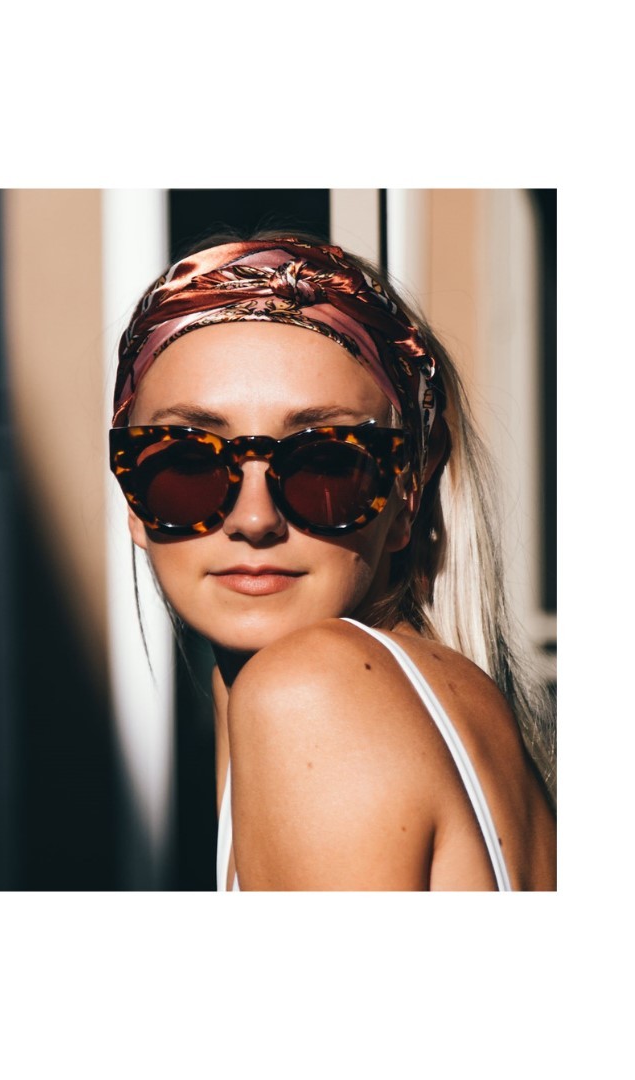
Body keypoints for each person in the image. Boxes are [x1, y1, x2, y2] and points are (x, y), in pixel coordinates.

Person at [108, 233, 556, 890]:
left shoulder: (312, 697)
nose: (255, 520)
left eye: (327, 463)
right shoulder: (451, 707)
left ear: (406, 494)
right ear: (132, 493)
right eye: (187, 462)